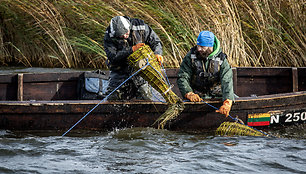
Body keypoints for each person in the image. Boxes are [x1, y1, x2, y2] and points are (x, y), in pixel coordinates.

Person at [104, 16, 163, 100]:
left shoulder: (141, 26)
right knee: (112, 99)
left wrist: (157, 53)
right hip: (119, 72)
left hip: (141, 71)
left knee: (147, 98)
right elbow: (113, 57)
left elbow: (156, 42)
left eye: (126, 33)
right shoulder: (109, 35)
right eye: (121, 36)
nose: (124, 36)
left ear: (129, 26)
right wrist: (132, 49)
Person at [177, 31, 235, 117]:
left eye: (202, 47)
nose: (199, 49)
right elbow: (183, 76)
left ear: (210, 46)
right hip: (197, 95)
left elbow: (227, 80)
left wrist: (227, 102)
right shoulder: (191, 56)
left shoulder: (221, 59)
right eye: (198, 46)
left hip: (218, 93)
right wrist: (188, 93)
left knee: (233, 99)